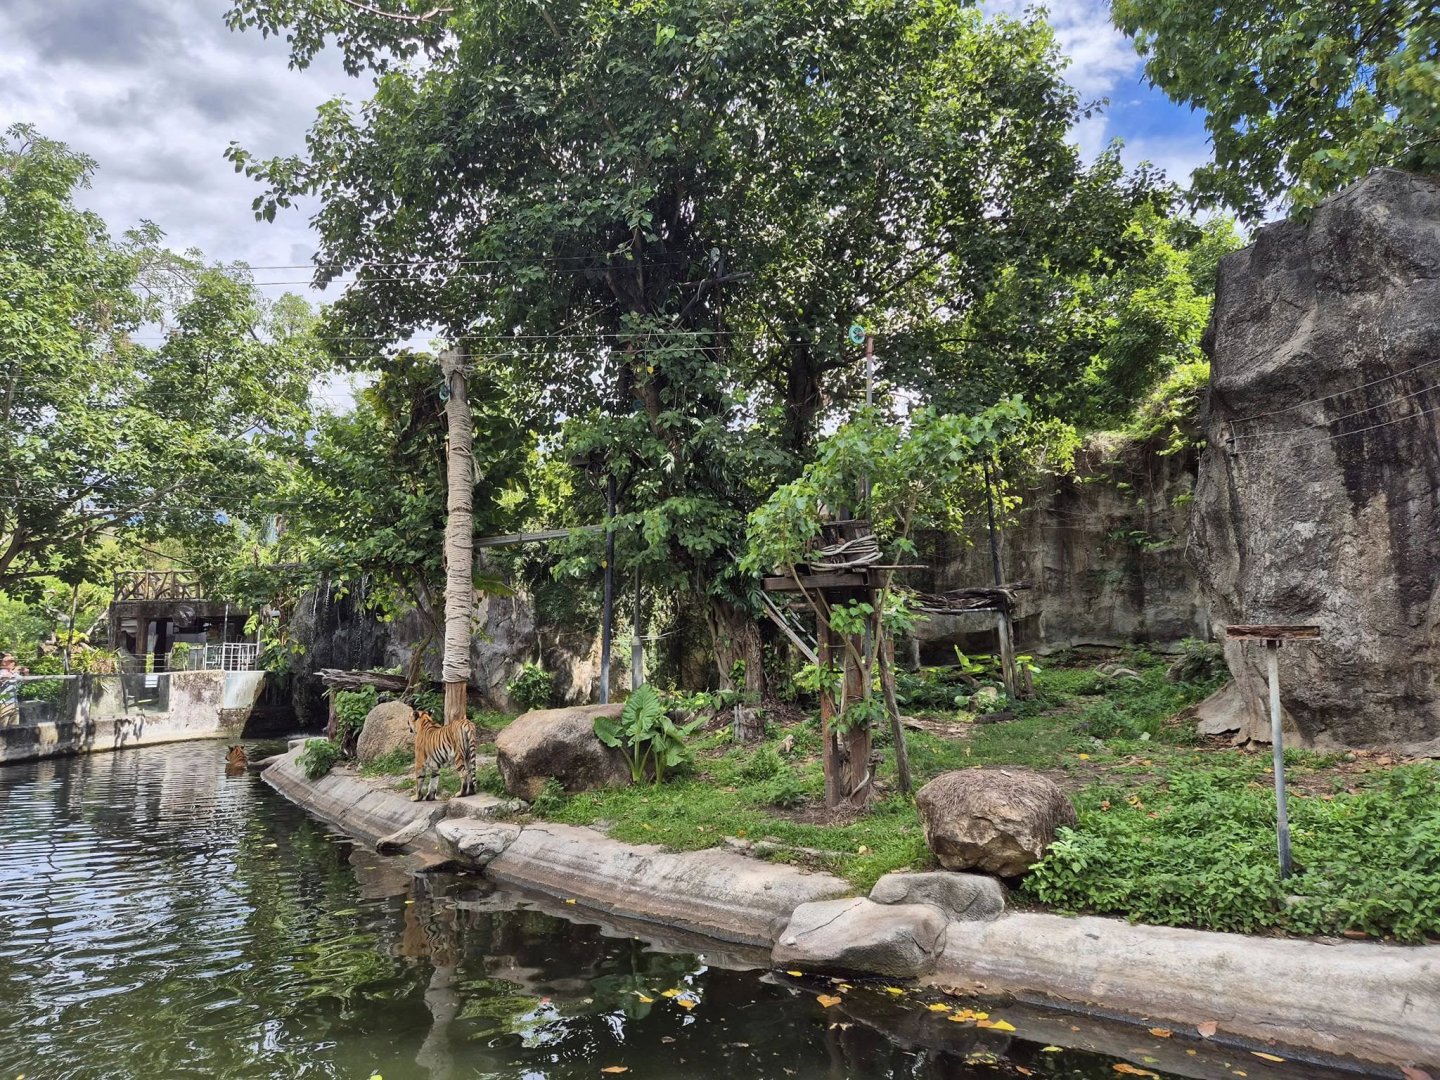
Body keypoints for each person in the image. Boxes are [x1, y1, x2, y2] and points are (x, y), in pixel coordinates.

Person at [0, 653, 27, 724]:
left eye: (14, 661)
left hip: (14, 702)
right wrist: (14, 671)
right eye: (11, 661)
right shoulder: (2, 672)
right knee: (3, 726)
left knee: (14, 726)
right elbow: (4, 678)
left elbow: (25, 682)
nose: (14, 663)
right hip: (3, 703)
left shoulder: (14, 674)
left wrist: (26, 673)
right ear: (4, 662)